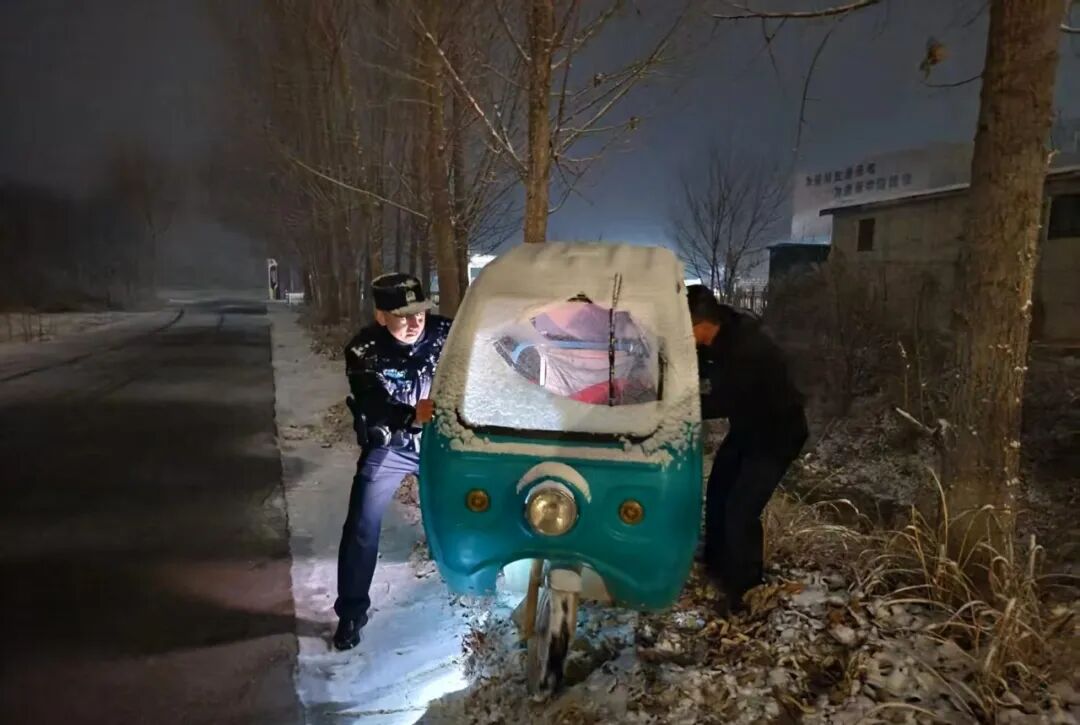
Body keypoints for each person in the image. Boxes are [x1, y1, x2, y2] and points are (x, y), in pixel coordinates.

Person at [333, 272, 452, 651]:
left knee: (465, 509)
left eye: (420, 311)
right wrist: (410, 416)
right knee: (362, 524)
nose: (415, 322)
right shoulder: (364, 349)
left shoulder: (448, 334)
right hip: (393, 445)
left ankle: (473, 585)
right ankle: (352, 612)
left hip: (443, 442)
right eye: (403, 315)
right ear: (381, 316)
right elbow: (371, 400)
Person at [687, 285, 808, 615]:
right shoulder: (713, 339)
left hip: (778, 433)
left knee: (741, 509)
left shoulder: (746, 346)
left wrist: (679, 407)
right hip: (748, 428)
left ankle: (745, 589)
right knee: (718, 492)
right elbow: (693, 370)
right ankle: (715, 563)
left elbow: (725, 401)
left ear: (702, 324)